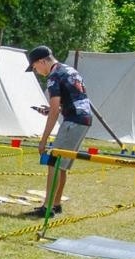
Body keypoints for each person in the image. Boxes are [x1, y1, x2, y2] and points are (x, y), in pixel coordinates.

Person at [25, 45, 93, 216]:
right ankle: (56, 204)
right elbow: (72, 100)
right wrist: (52, 109)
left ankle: (46, 208)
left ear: (42, 61)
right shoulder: (70, 70)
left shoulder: (53, 76)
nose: (36, 71)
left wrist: (43, 140)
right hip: (83, 118)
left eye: (34, 67)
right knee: (61, 165)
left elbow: (54, 111)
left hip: (73, 120)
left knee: (53, 163)